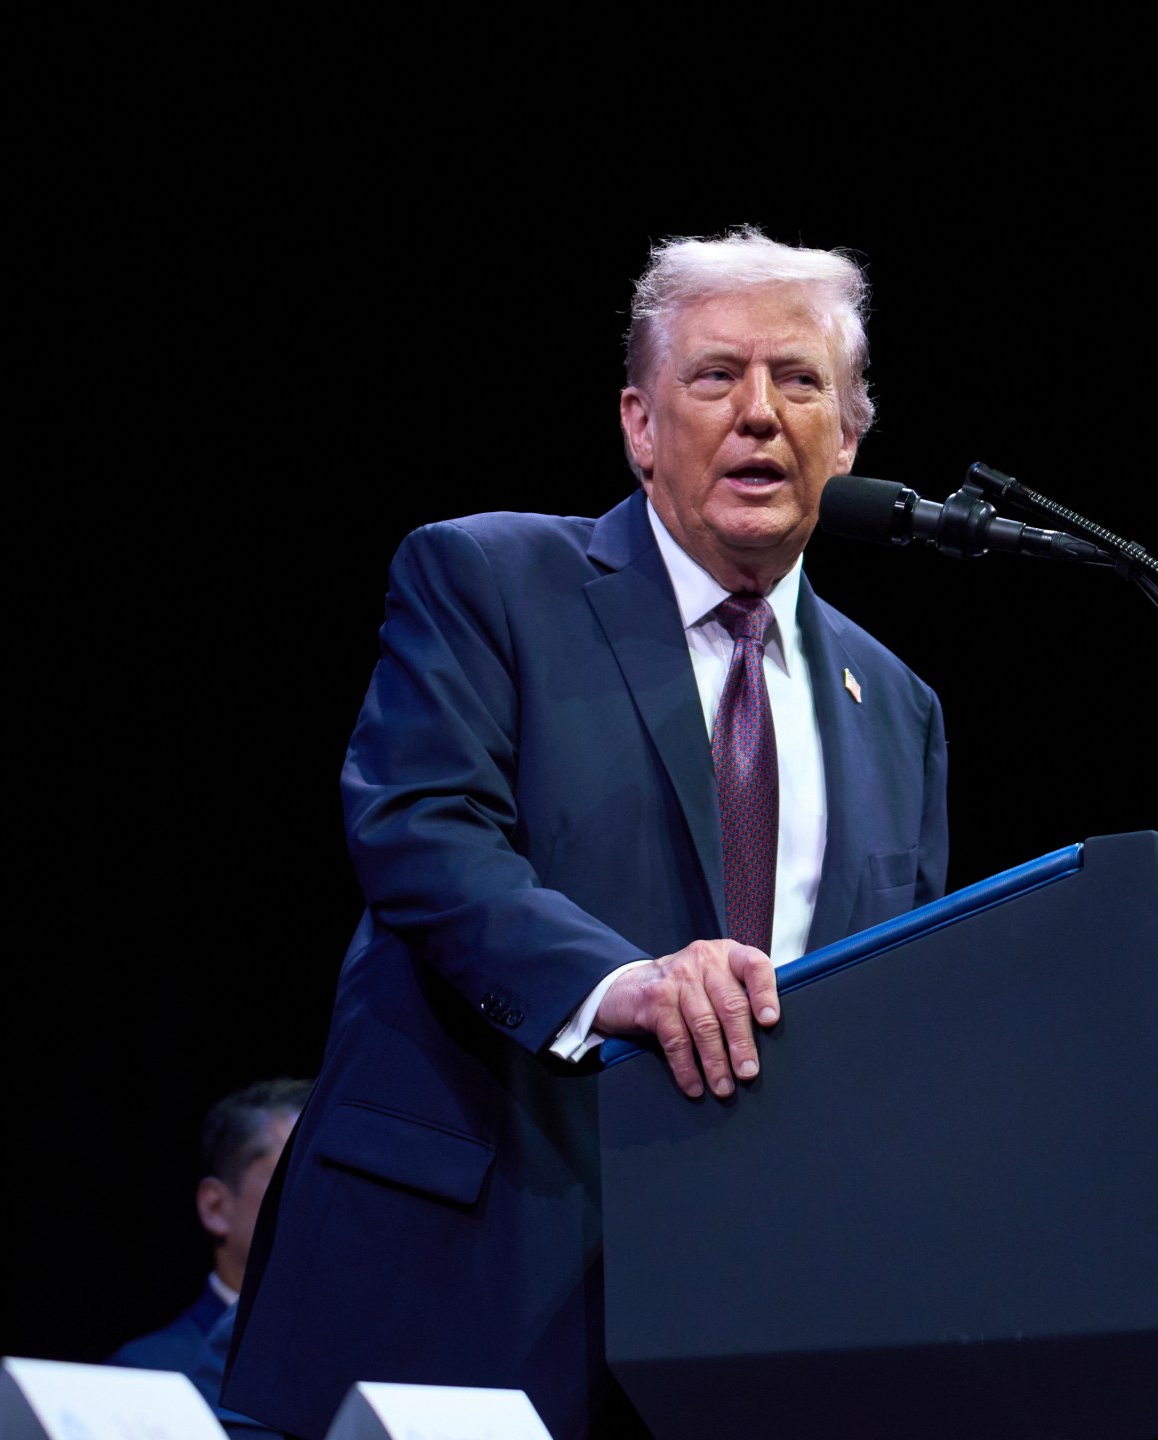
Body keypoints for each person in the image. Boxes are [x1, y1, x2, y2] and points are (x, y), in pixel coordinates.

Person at [221, 228, 950, 1440]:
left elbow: (900, 992)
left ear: (854, 433)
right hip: (467, 1262)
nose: (760, 413)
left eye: (801, 380)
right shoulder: (488, 579)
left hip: (740, 1315)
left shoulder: (901, 708)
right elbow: (422, 830)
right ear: (639, 425)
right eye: (715, 377)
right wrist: (620, 983)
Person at [109, 1079, 310, 1383]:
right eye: (296, 1179)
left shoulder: (360, 1367)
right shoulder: (146, 1375)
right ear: (215, 1207)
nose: (323, 1205)